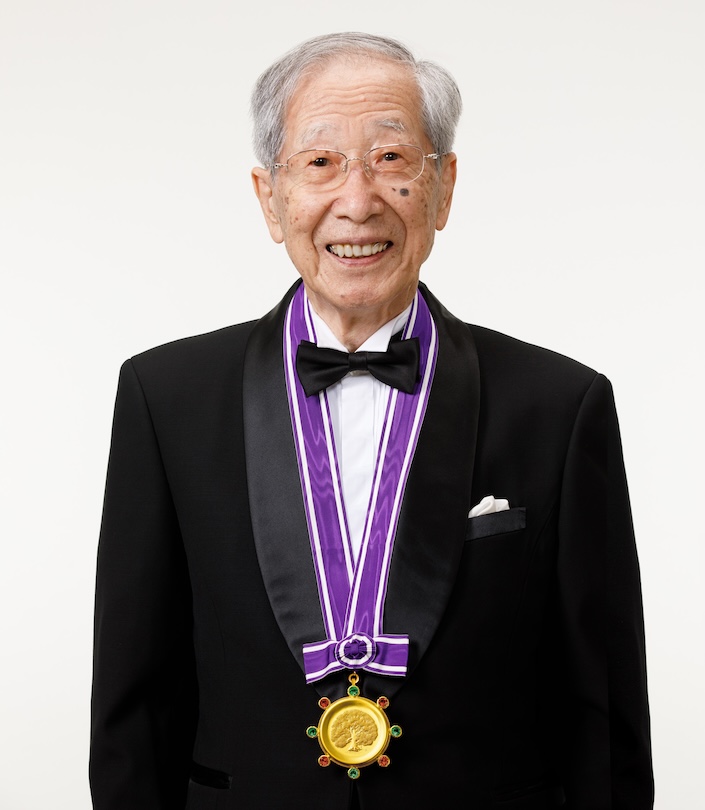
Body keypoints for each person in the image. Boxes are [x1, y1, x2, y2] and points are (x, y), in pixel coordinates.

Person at [89, 32, 654, 810]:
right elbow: (133, 708)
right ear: (269, 197)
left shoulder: (559, 403)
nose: (356, 202)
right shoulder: (165, 397)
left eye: (391, 160)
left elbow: (604, 712)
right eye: (319, 164)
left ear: (443, 187)